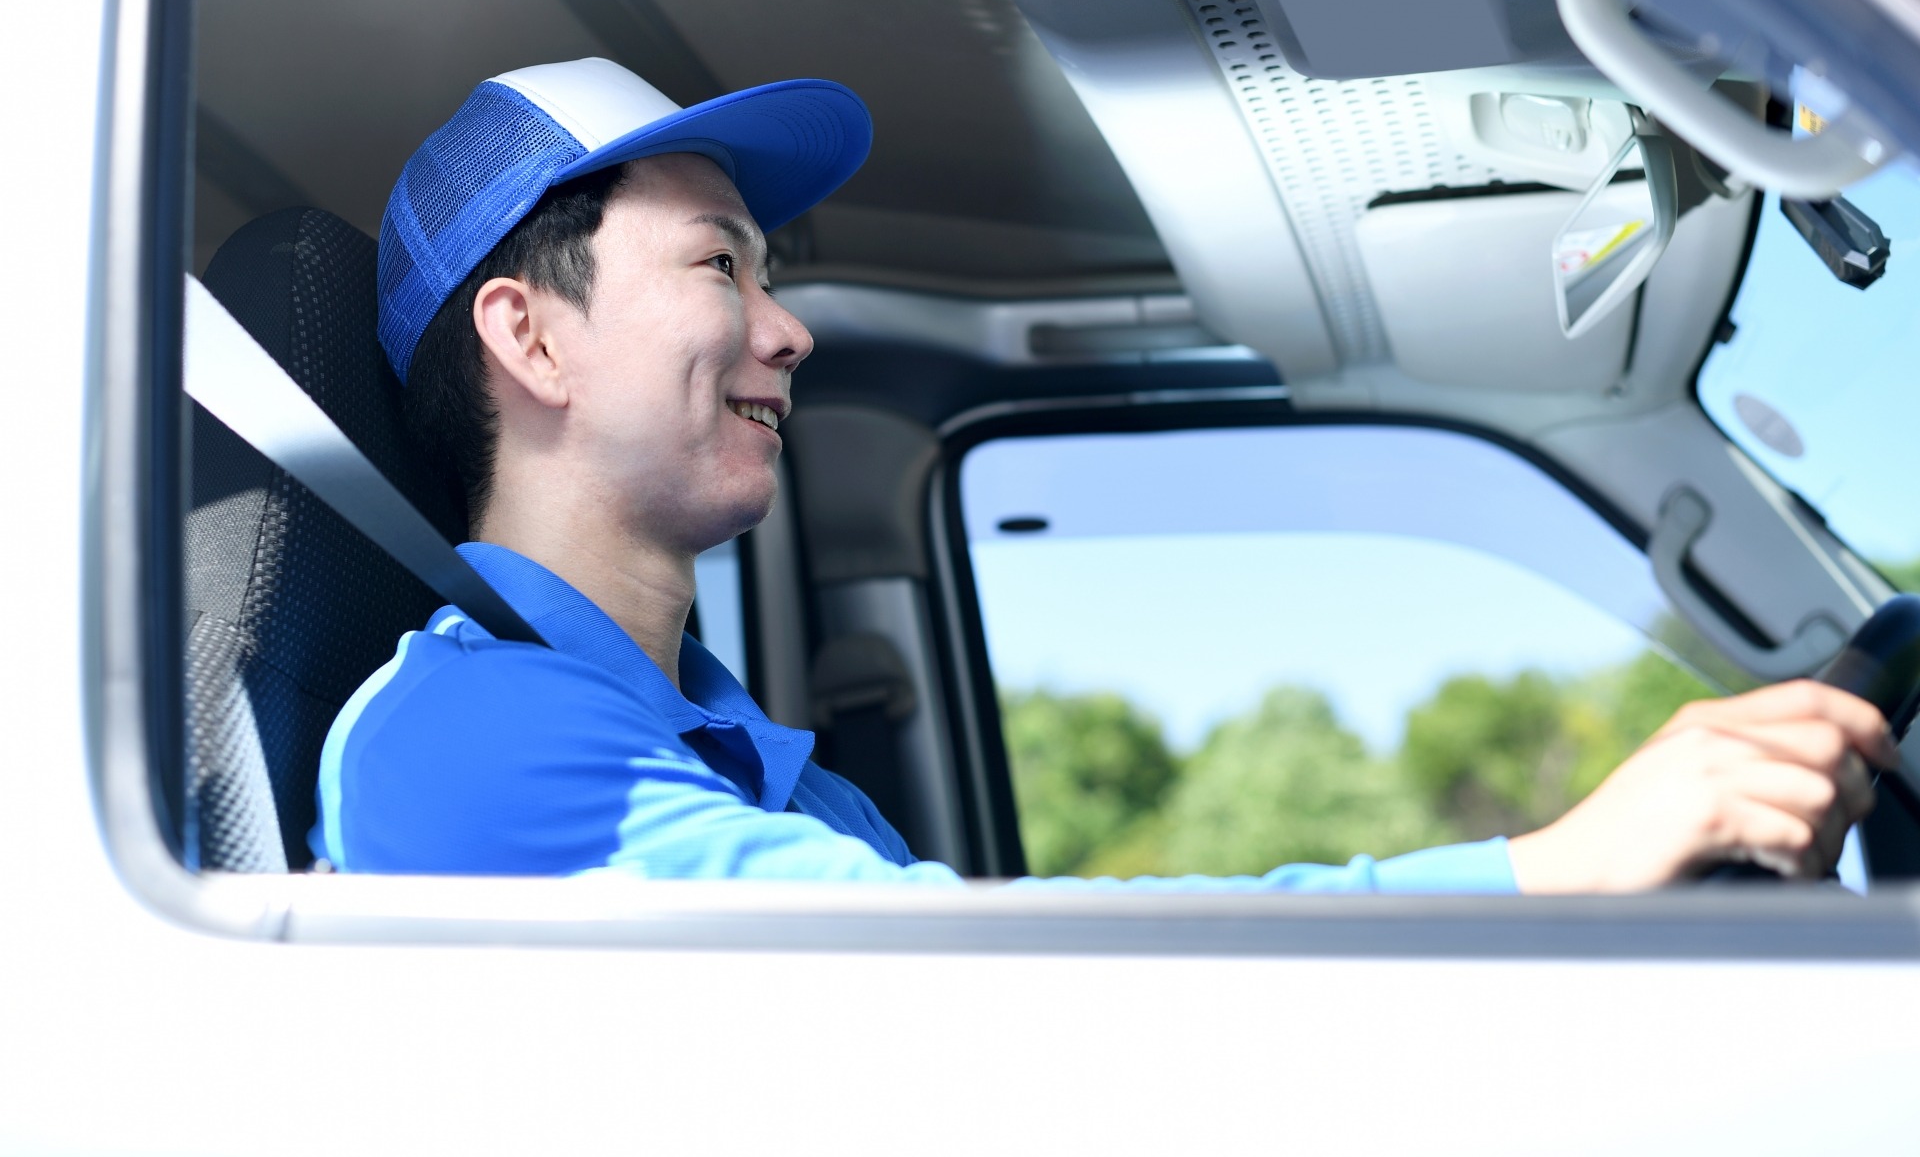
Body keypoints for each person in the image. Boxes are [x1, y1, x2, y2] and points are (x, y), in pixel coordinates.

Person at [311, 56, 1897, 891]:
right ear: (529, 336)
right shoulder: (463, 739)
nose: (787, 331)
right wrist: (1551, 873)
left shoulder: (767, 779)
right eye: (722, 264)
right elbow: (1000, 1011)